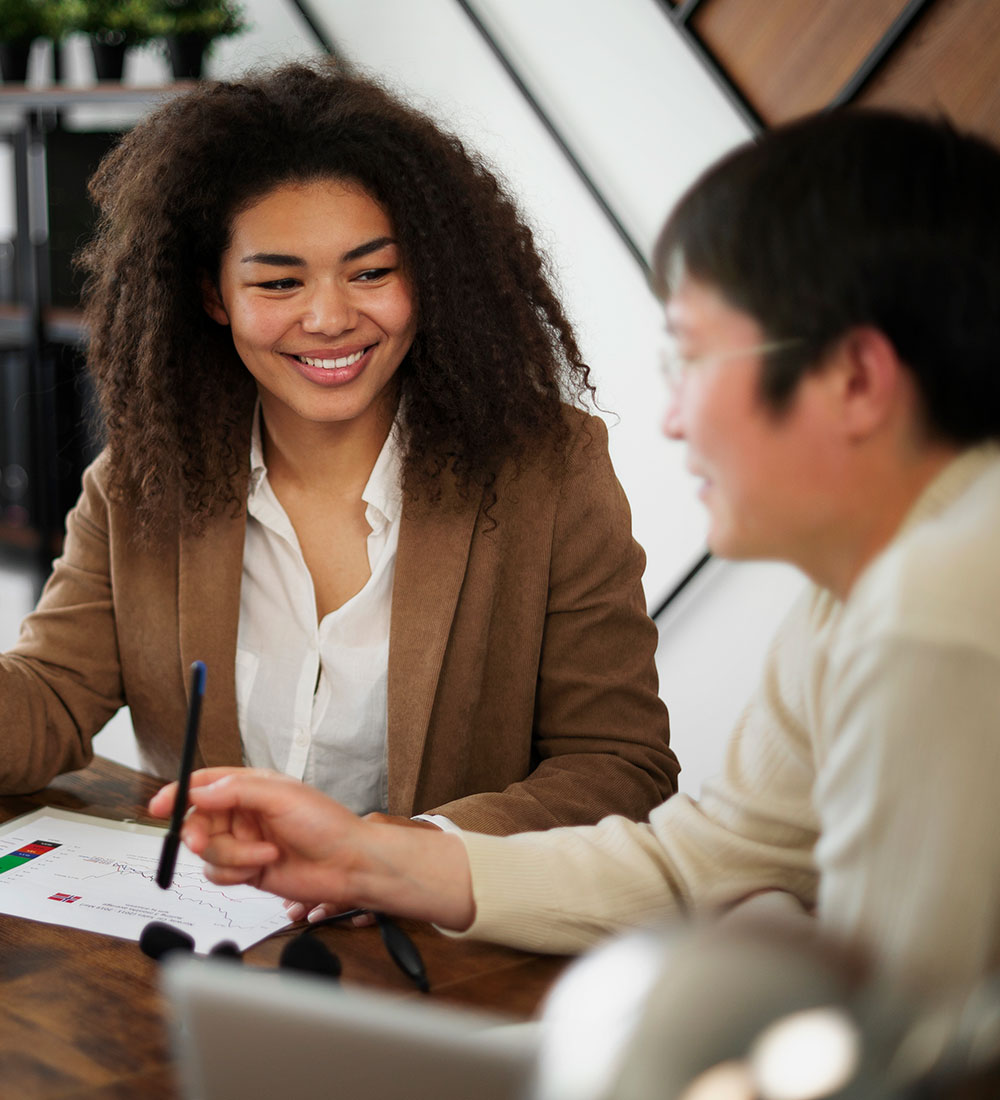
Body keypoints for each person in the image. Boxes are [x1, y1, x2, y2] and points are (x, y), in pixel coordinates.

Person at [151, 105, 1000, 995]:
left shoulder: (932, 609)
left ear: (857, 379)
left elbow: (920, 1036)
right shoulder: (862, 590)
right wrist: (368, 855)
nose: (672, 419)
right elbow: (711, 863)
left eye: (694, 361)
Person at [0, 60, 679, 835]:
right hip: (212, 928)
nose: (328, 318)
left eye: (372, 271)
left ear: (429, 275)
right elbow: (49, 697)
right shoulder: (143, 480)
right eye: (279, 284)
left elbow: (620, 763)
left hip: (440, 944)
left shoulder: (551, 471)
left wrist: (406, 859)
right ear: (213, 295)